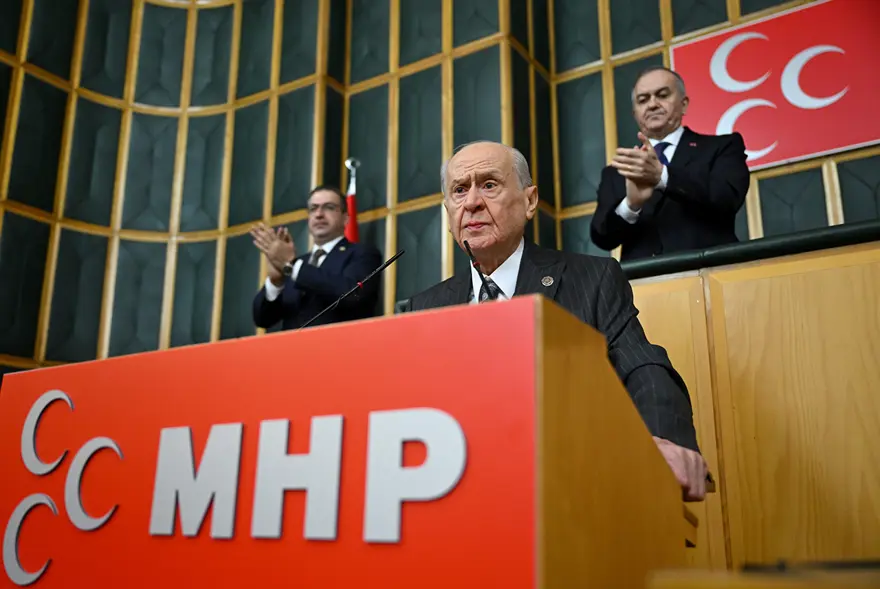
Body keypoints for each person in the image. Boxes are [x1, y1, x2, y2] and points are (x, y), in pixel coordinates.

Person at [400, 141, 708, 500]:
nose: (471, 202)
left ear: (530, 201)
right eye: (459, 190)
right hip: (453, 491)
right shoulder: (423, 308)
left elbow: (643, 365)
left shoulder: (592, 280)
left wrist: (662, 438)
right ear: (448, 211)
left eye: (489, 185)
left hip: (563, 487)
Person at [591, 66, 750, 261]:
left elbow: (727, 199)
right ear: (635, 113)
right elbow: (602, 237)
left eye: (662, 95)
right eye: (643, 100)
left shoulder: (722, 147)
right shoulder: (618, 171)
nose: (652, 104)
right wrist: (631, 205)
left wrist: (663, 177)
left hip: (709, 270)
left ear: (684, 104)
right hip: (642, 278)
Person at [250, 185, 383, 330]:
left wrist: (292, 265)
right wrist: (276, 282)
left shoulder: (363, 254)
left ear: (345, 218)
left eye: (329, 207)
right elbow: (262, 319)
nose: (319, 214)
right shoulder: (296, 263)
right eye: (313, 209)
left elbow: (355, 295)